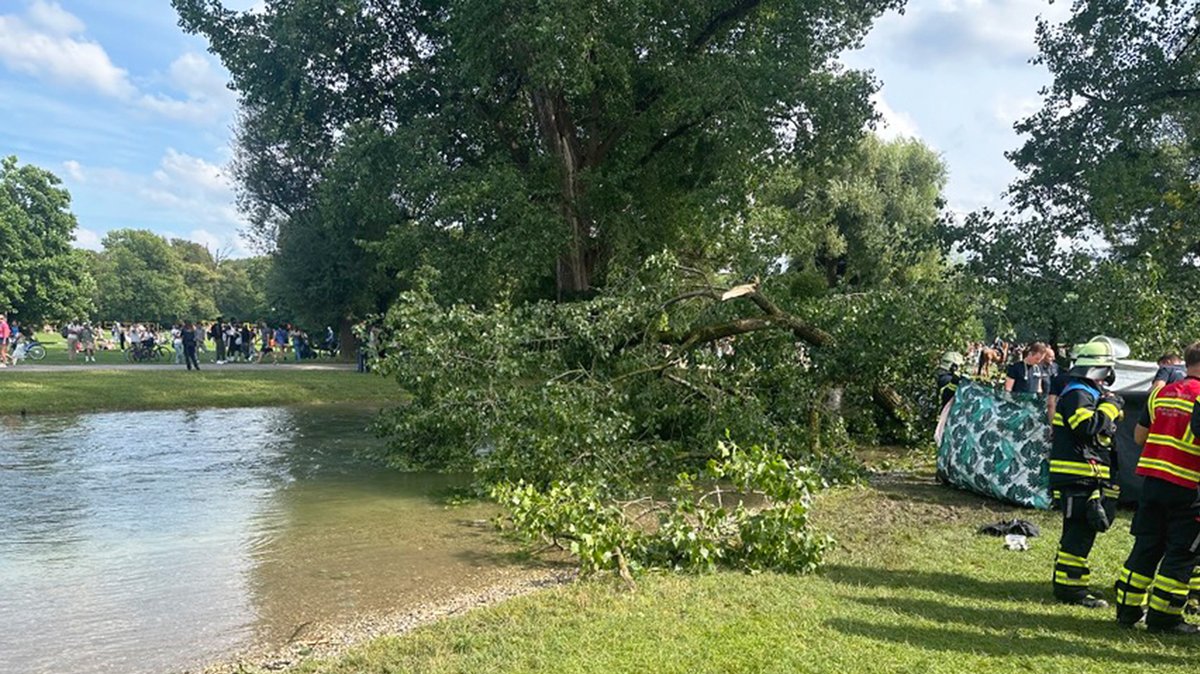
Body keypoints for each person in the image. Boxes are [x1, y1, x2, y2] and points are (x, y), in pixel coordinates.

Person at [1113, 343, 1200, 633]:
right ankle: (1164, 618)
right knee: (1181, 553)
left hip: (1152, 484)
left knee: (1146, 545)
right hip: (1188, 486)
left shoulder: (1160, 394)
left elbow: (1139, 437)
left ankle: (1127, 609)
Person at [1048, 339, 1124, 608]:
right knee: (1079, 534)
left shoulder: (1083, 391)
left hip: (1083, 474)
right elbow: (1085, 426)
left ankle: (1069, 584)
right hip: (1077, 474)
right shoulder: (1079, 393)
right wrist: (1111, 408)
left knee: (1078, 532)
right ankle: (1072, 591)